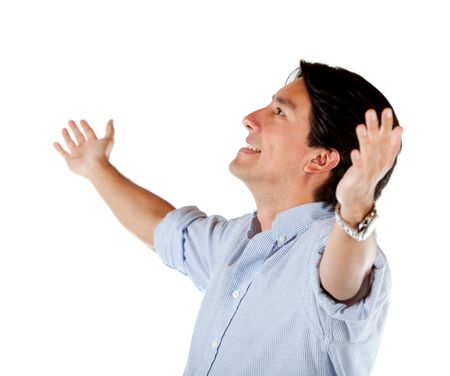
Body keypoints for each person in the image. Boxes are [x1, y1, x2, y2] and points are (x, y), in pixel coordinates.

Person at [53, 60, 403, 376]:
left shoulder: (331, 249)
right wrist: (95, 167)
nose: (251, 118)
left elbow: (343, 279)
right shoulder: (237, 242)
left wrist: (356, 209)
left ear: (321, 159)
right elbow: (165, 228)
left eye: (280, 113)